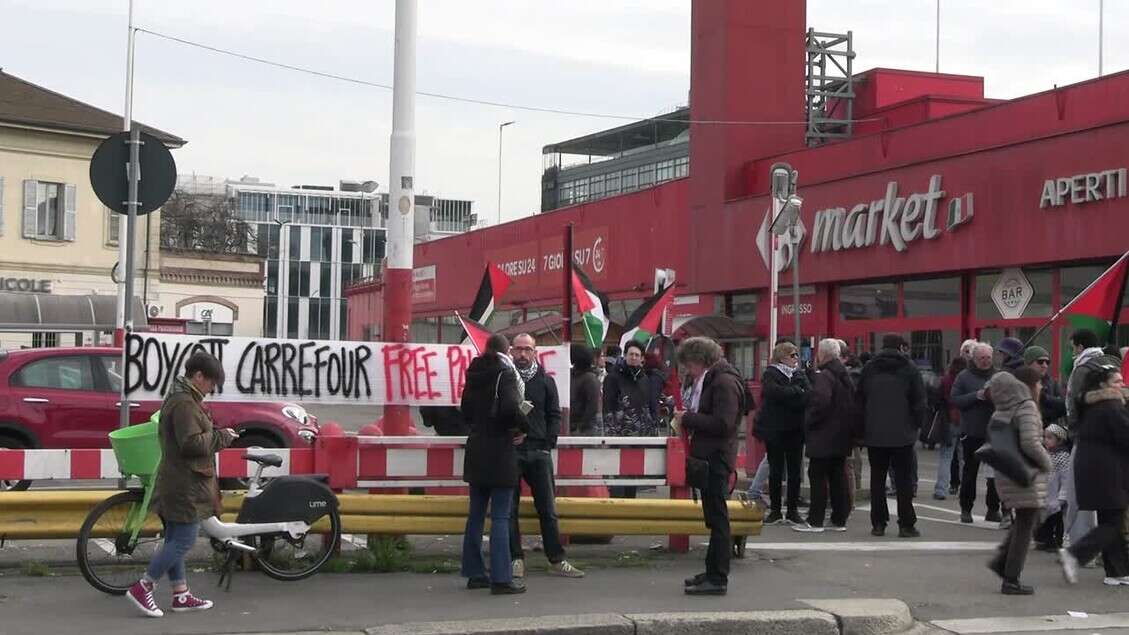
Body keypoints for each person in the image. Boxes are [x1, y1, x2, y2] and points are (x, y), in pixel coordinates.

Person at [126, 352, 236, 618]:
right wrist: (221, 437)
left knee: (174, 539)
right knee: (184, 540)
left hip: (178, 480)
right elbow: (191, 444)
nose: (211, 389)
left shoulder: (182, 398)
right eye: (211, 383)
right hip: (185, 484)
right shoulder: (185, 403)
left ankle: (181, 595)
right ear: (198, 376)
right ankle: (144, 586)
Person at [508, 333, 585, 580]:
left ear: (535, 352)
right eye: (518, 349)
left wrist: (548, 442)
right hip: (512, 452)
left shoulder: (546, 381)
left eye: (526, 350)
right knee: (510, 509)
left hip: (539, 451)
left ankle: (556, 558)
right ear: (511, 351)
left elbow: (554, 415)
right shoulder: (506, 379)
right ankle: (516, 559)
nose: (522, 354)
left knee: (548, 509)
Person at [673, 337, 743, 596]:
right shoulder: (715, 379)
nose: (688, 371)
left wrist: (689, 418)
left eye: (689, 365)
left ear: (701, 361)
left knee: (718, 518)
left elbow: (723, 423)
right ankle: (712, 570)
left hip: (717, 457)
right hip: (711, 455)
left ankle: (718, 577)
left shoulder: (723, 382)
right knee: (713, 517)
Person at [460, 334, 528, 595]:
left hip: (476, 447)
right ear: (506, 351)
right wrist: (524, 426)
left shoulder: (473, 373)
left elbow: (465, 410)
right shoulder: (506, 374)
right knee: (500, 515)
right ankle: (501, 577)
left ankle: (475, 572)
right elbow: (511, 407)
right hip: (500, 449)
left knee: (475, 514)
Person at [1059, 364, 1129, 587]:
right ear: (1103, 385)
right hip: (1108, 471)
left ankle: (1116, 571)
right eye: (1117, 382)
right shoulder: (1111, 406)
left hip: (1096, 469)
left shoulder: (1092, 405)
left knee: (1110, 518)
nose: (1122, 384)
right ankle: (1074, 554)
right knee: (1114, 522)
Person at [984, 369, 1053, 595]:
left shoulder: (1002, 409)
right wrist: (1047, 463)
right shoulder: (1026, 406)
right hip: (1026, 473)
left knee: (1024, 521)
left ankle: (1002, 563)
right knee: (1025, 525)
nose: (1042, 387)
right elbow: (1031, 442)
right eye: (1039, 383)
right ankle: (1011, 579)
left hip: (1008, 472)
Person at [858, 334, 925, 538]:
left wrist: (862, 429)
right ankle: (906, 524)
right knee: (903, 481)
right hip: (902, 434)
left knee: (877, 480)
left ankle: (878, 523)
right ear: (901, 347)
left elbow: (859, 399)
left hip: (875, 433)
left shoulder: (869, 368)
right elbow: (919, 402)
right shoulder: (910, 369)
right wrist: (916, 426)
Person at [1063, 330, 1118, 553]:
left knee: (1079, 493)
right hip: (1113, 437)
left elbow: (1074, 405)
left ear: (1079, 346)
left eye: (1072, 346)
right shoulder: (1113, 364)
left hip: (1086, 437)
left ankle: (1081, 544)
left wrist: (1073, 429)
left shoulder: (1083, 369)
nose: (1072, 351)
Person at [793, 339, 853, 533]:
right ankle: (839, 519)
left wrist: (809, 421)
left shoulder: (825, 376)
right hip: (841, 434)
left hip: (823, 434)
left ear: (824, 354)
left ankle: (815, 520)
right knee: (838, 476)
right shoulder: (844, 375)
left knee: (817, 475)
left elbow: (820, 402)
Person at [754, 341, 810, 526]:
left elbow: (807, 396)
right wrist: (795, 392)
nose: (796, 359)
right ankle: (776, 510)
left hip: (795, 429)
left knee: (795, 472)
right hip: (775, 429)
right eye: (793, 355)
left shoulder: (800, 374)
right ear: (782, 357)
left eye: (796, 355)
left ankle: (792, 509)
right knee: (776, 470)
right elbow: (772, 393)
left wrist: (790, 395)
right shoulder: (771, 373)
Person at [952, 343, 1002, 524]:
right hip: (972, 432)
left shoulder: (999, 376)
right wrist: (977, 395)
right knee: (969, 472)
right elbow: (955, 399)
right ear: (973, 359)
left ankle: (993, 509)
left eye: (988, 358)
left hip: (995, 432)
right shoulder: (963, 377)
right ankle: (966, 509)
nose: (986, 361)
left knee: (995, 474)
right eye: (982, 358)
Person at [603, 340, 659, 438]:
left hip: (642, 434)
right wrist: (610, 434)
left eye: (637, 355)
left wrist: (652, 428)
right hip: (620, 433)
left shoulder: (645, 379)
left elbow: (648, 406)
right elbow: (608, 407)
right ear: (625, 355)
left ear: (642, 359)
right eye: (631, 354)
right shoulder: (613, 378)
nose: (633, 357)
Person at [1034, 423, 1072, 552]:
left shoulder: (1063, 457)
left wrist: (1062, 497)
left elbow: (1066, 478)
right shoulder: (1045, 454)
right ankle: (1045, 539)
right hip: (1045, 493)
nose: (1046, 441)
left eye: (1050, 438)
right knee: (1044, 519)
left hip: (1056, 496)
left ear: (1060, 440)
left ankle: (1056, 541)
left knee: (1056, 519)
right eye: (1045, 437)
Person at [934, 355, 967, 500]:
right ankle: (965, 488)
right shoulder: (967, 379)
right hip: (966, 420)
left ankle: (941, 489)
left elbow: (937, 398)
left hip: (949, 420)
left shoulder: (946, 380)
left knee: (946, 456)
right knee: (963, 457)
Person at [1023, 346, 1066, 428]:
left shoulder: (1053, 384)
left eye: (1047, 362)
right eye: (1040, 362)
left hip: (1050, 433)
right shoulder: (1020, 382)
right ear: (1028, 363)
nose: (1045, 365)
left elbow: (1063, 406)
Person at [569, 344, 601, 436]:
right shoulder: (572, 375)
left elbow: (592, 405)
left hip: (584, 429)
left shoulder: (590, 378)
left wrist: (581, 426)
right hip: (572, 426)